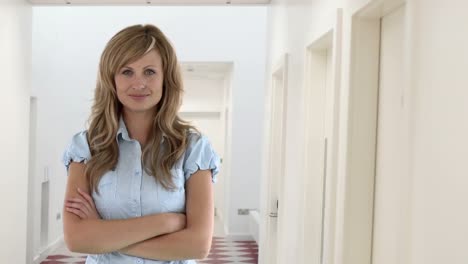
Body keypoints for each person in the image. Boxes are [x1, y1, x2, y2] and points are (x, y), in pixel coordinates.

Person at [61, 24, 220, 264]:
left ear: (166, 78)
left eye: (149, 72)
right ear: (111, 79)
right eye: (126, 71)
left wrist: (104, 234)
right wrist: (166, 222)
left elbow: (197, 245)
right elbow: (77, 239)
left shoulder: (192, 148)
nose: (138, 83)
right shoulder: (86, 147)